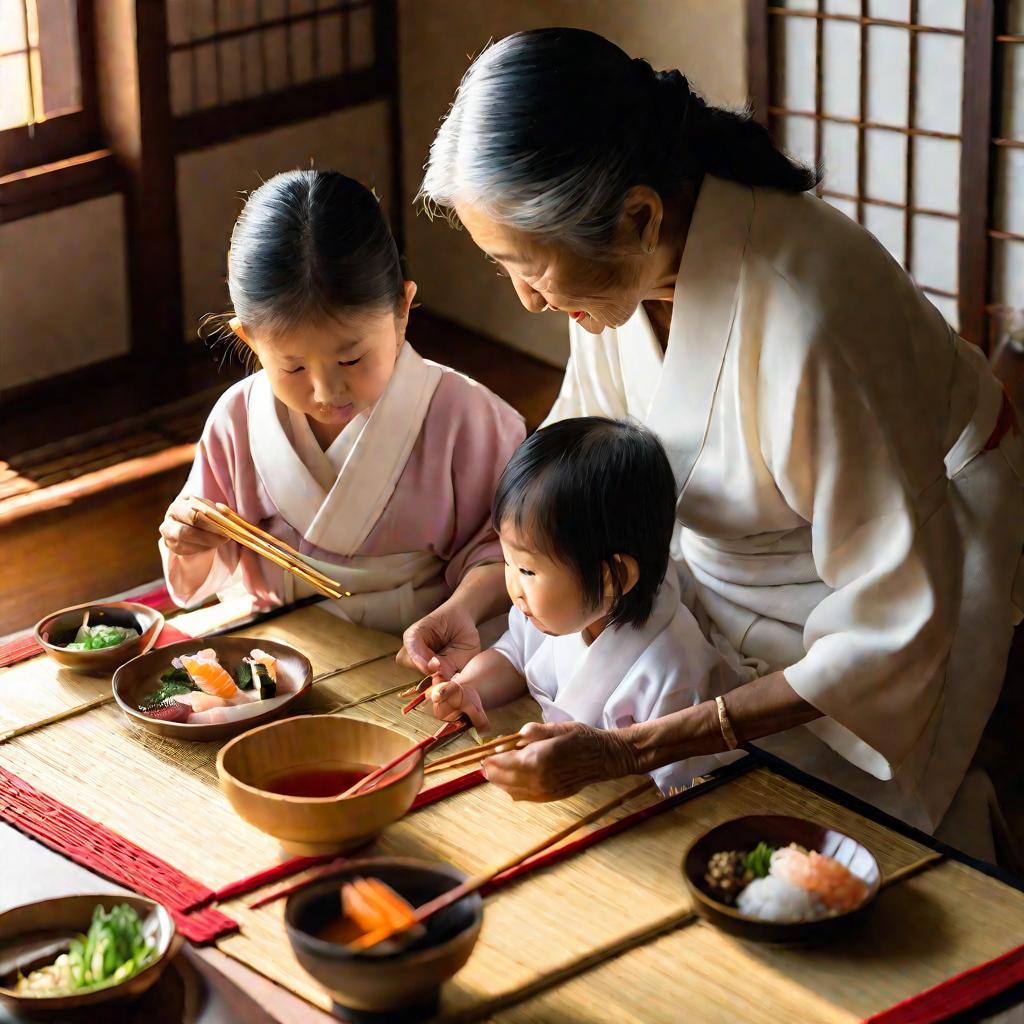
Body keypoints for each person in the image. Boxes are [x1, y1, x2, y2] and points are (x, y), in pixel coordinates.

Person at [407, 28, 1024, 857]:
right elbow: (573, 480)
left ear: (638, 214)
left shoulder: (810, 319)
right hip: (716, 566)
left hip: (899, 570)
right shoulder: (617, 270)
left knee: (823, 844)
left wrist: (636, 745)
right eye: (502, 267)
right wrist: (477, 598)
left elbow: (886, 622)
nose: (526, 302)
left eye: (532, 268)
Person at [159, 169, 524, 637]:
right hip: (279, 649)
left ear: (402, 310)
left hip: (419, 649)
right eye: (293, 367)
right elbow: (207, 557)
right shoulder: (237, 419)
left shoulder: (471, 420)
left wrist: (461, 613)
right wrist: (188, 539)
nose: (326, 392)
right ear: (249, 339)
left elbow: (509, 556)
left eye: (351, 359)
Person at [431, 417, 743, 793]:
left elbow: (676, 782)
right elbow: (514, 656)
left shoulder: (672, 674)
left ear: (614, 577)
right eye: (507, 561)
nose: (512, 585)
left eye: (527, 569)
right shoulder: (555, 612)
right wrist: (469, 688)